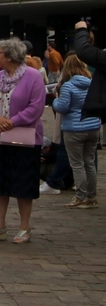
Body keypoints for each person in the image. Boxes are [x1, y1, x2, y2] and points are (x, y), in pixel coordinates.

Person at [0, 37, 46, 243]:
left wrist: (12, 122)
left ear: (9, 55)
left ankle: (24, 227)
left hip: (24, 139)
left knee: (23, 182)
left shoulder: (33, 76)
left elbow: (36, 107)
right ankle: (0, 225)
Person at [53, 53, 100, 209]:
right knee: (89, 162)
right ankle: (91, 196)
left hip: (74, 128)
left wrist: (55, 100)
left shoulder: (68, 85)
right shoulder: (93, 83)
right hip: (93, 126)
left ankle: (80, 196)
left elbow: (62, 107)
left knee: (77, 164)